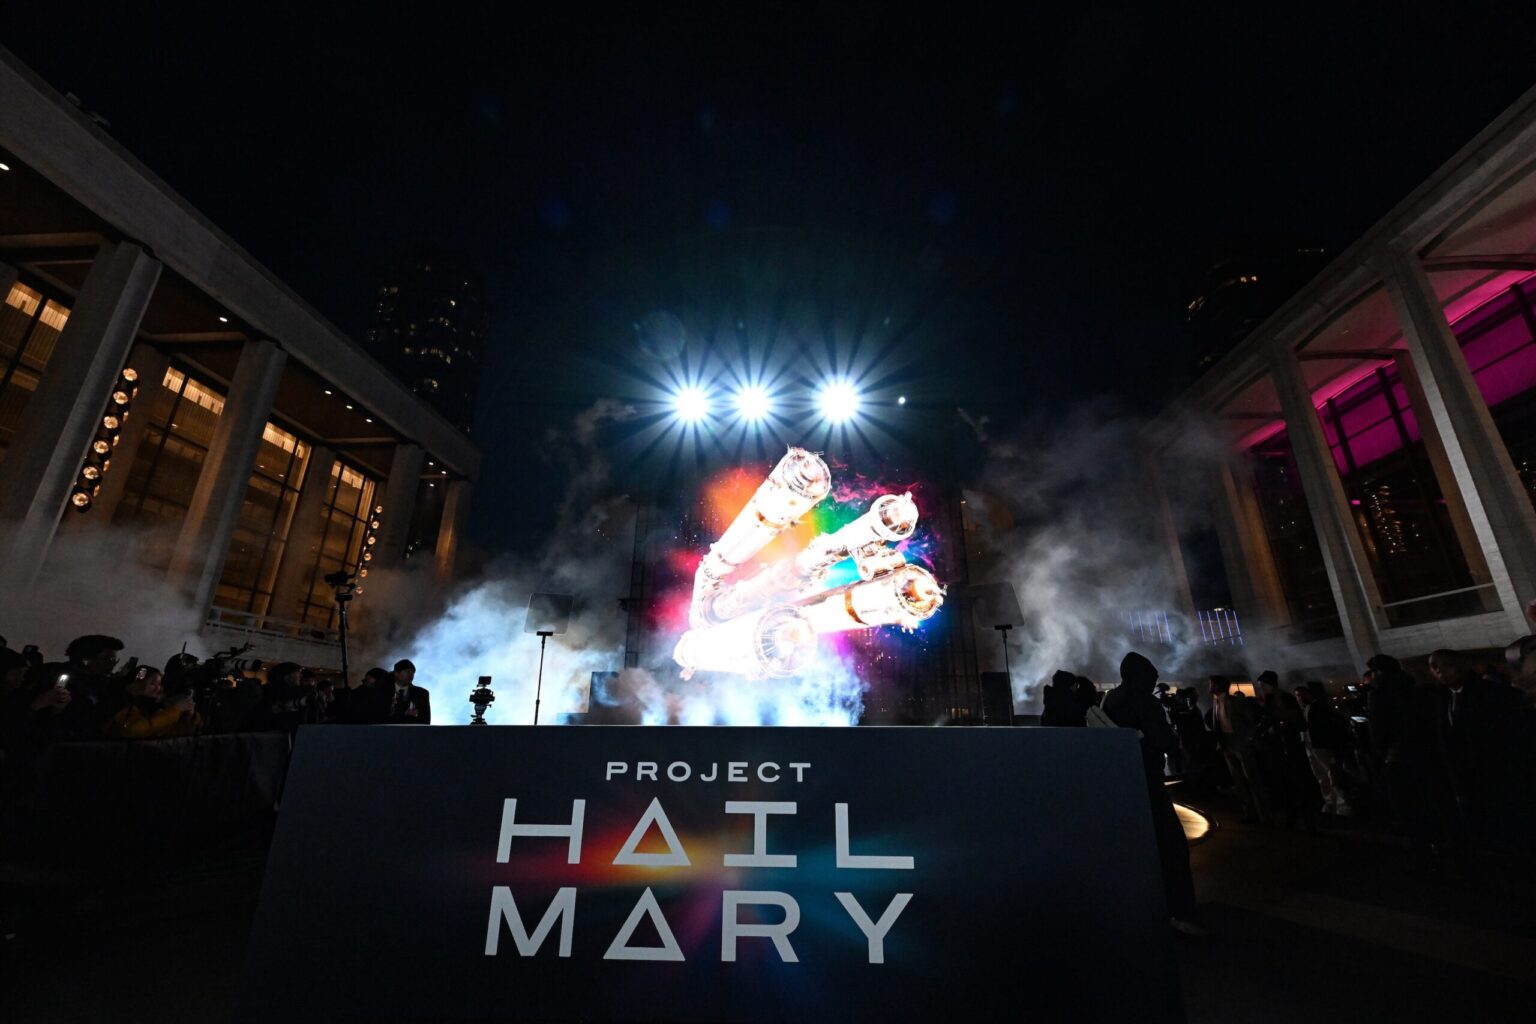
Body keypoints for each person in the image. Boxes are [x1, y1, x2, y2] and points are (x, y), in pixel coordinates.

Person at [1102, 651, 1202, 936]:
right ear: (1143, 676)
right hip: (1148, 777)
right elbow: (1164, 741)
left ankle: (1136, 906)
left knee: (1133, 846)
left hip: (1122, 780)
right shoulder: (1145, 702)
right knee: (1170, 846)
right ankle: (1180, 911)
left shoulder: (1110, 699)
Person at [1427, 647, 1519, 842]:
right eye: (1433, 667)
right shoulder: (1441, 699)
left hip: (1497, 774)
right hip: (1464, 777)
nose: (1438, 671)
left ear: (1459, 666)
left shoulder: (1492, 694)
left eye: (1444, 665)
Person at [25, 635, 127, 741]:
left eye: (115, 659)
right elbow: (87, 720)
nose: (113, 664)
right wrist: (126, 695)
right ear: (86, 659)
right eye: (109, 659)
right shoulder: (65, 680)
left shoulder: (98, 681)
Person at [1257, 670, 1319, 830]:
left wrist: (1278, 725)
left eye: (1262, 685)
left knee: (1297, 782)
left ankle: (1306, 818)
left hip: (1288, 746)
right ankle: (1296, 816)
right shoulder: (1271, 700)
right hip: (1281, 747)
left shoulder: (1281, 699)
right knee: (1287, 782)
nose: (1260, 688)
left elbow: (1297, 722)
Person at [1207, 675, 1271, 824]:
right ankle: (1250, 814)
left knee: (1253, 780)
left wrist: (1249, 738)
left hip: (1240, 743)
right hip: (1227, 744)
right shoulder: (1216, 702)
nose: (1209, 686)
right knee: (1239, 781)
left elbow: (1251, 720)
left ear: (1218, 685)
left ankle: (1264, 816)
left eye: (1211, 683)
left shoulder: (1236, 701)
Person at [1295, 682, 1352, 816]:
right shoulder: (1304, 709)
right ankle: (1330, 802)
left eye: (1301, 694)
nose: (1299, 698)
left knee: (1331, 773)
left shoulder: (1318, 707)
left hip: (1321, 745)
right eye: (1297, 695)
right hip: (1310, 745)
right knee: (1321, 775)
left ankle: (1343, 804)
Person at [104, 667, 201, 739]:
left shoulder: (155, 708)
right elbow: (134, 730)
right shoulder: (123, 705)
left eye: (159, 684)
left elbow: (168, 733)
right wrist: (175, 710)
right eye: (152, 684)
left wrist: (188, 718)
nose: (158, 688)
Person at [386, 659, 431, 725]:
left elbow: (426, 721)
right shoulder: (384, 692)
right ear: (396, 673)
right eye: (407, 672)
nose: (411, 675)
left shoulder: (422, 694)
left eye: (413, 672)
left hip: (413, 733)